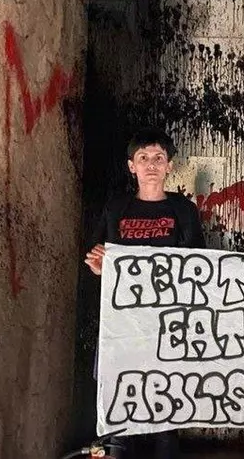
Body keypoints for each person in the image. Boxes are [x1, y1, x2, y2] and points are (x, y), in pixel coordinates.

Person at [84, 128, 205, 459]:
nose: (151, 165)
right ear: (131, 166)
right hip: (121, 322)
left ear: (169, 166)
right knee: (120, 398)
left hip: (168, 322)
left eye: (158, 158)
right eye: (143, 158)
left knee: (167, 403)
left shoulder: (183, 210)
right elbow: (98, 256)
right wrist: (98, 267)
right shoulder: (116, 208)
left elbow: (202, 265)